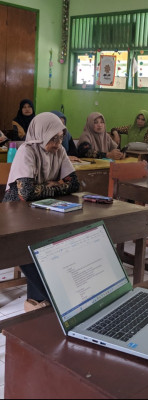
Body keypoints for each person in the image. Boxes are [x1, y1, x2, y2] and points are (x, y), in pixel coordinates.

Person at [3, 112, 80, 312]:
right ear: (41, 134)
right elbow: (25, 193)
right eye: (53, 138)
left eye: (60, 138)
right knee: (27, 245)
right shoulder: (27, 151)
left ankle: (40, 299)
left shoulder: (60, 151)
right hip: (14, 212)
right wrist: (55, 185)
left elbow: (75, 184)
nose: (57, 143)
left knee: (59, 240)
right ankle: (50, 298)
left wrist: (45, 187)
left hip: (42, 210)